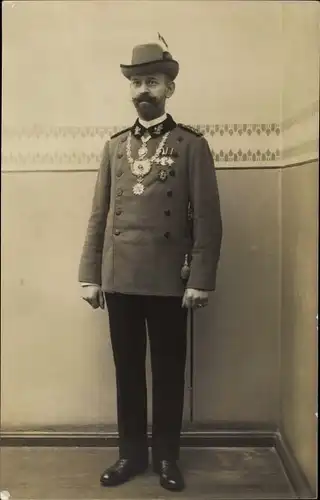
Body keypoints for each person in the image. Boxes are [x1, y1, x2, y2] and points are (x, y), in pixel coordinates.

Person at [78, 39, 222, 492]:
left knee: (167, 371)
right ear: (131, 89)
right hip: (120, 277)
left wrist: (200, 278)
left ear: (169, 88)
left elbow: (210, 218)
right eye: (138, 82)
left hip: (168, 281)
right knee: (127, 372)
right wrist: (89, 273)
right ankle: (130, 455)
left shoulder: (191, 145)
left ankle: (166, 457)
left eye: (153, 82)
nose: (145, 89)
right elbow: (99, 214)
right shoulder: (115, 147)